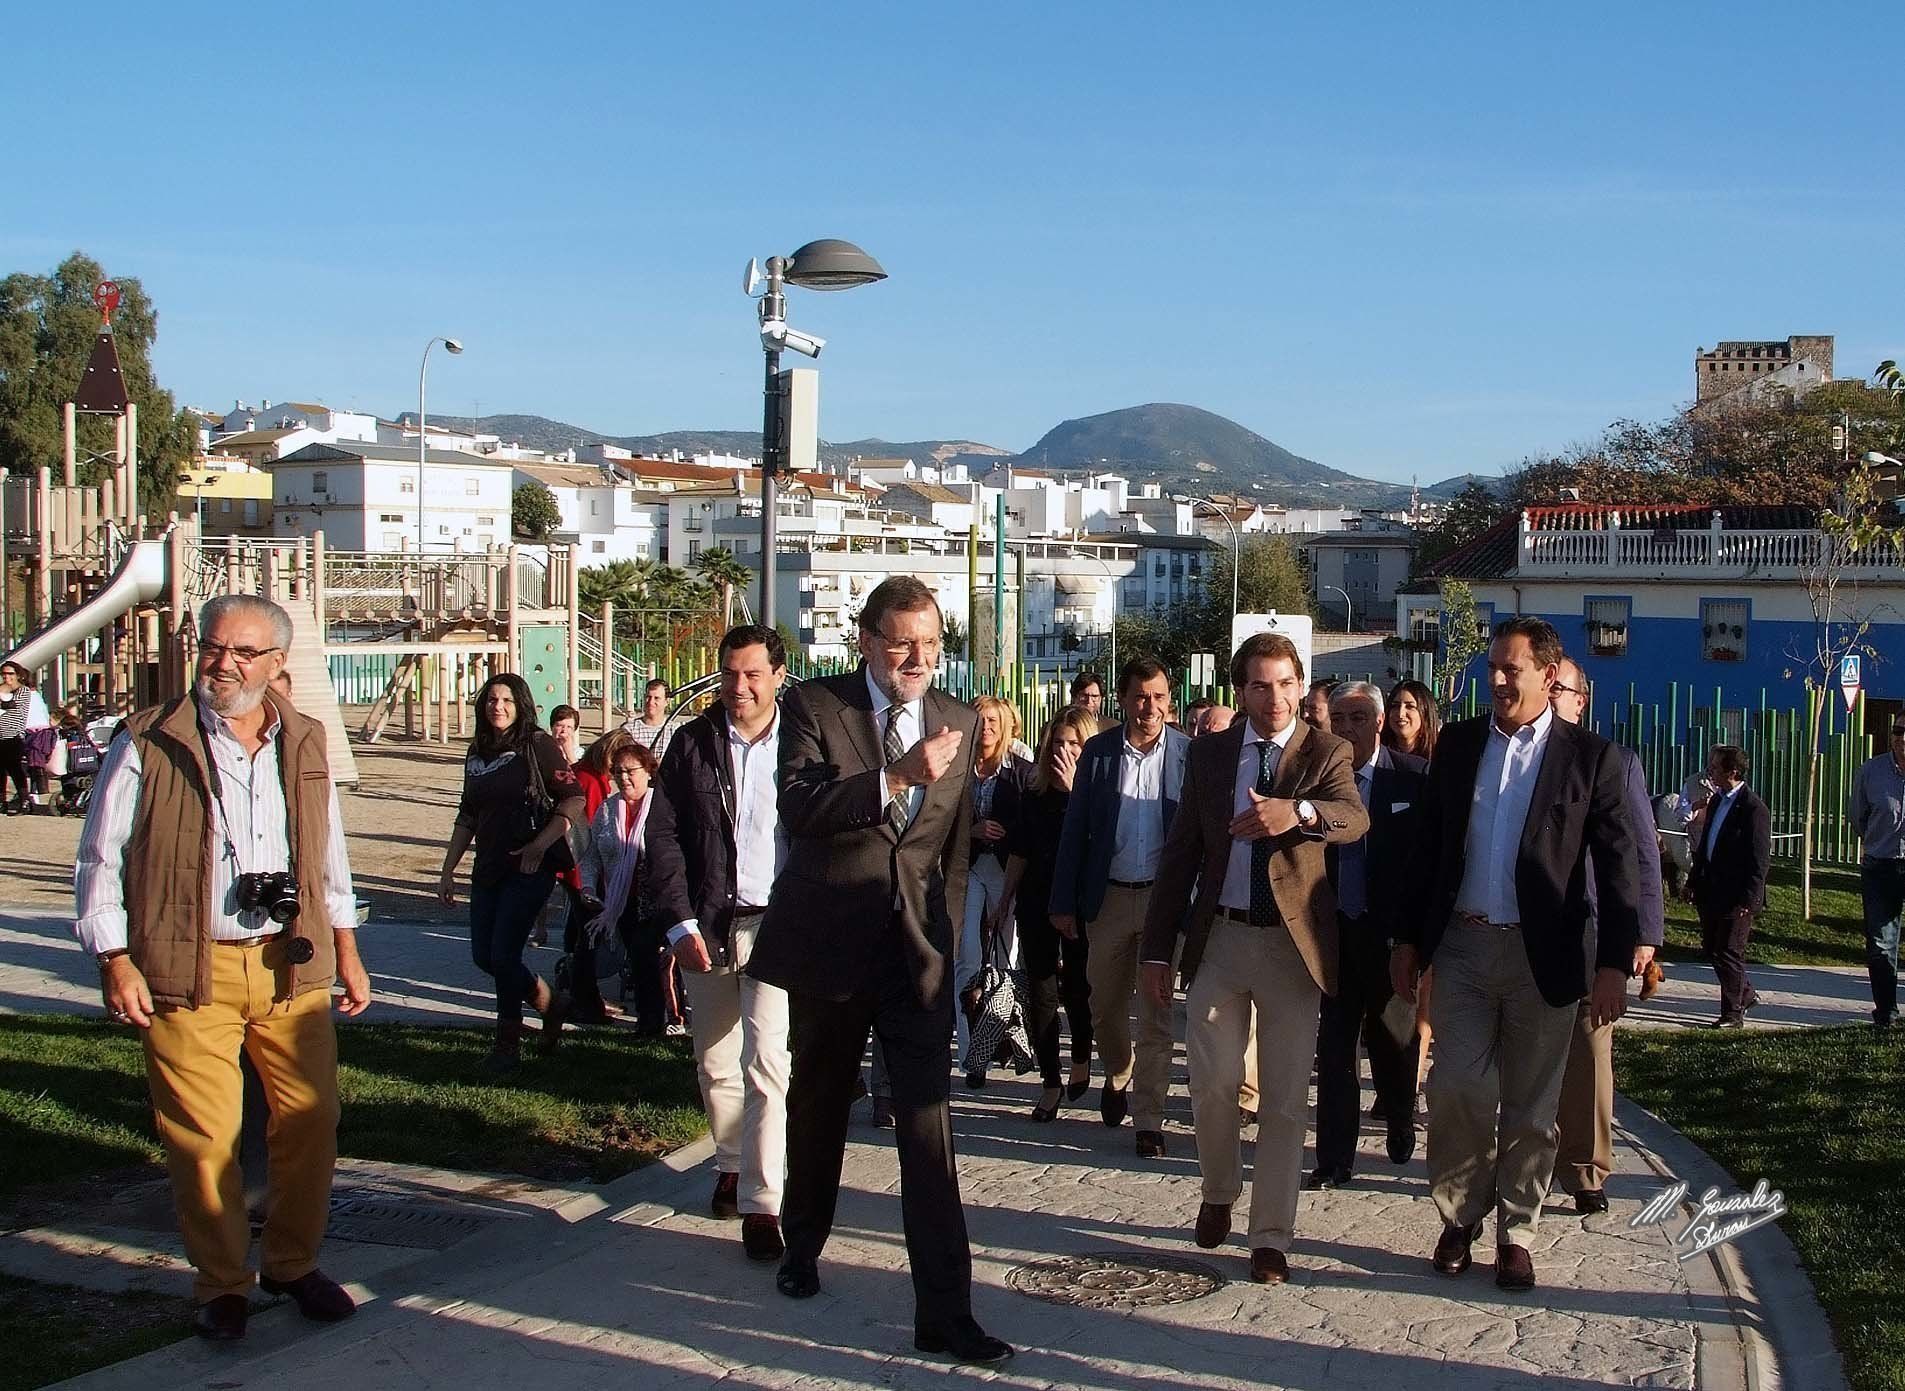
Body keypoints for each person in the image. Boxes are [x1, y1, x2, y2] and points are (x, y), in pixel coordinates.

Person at [73, 594, 371, 1342]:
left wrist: (348, 950)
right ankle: (222, 1283)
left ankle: (292, 1263)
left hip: (288, 962)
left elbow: (329, 855)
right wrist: (114, 958)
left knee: (312, 1122)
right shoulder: (147, 740)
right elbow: (98, 860)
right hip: (187, 963)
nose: (223, 665)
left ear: (276, 664)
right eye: (213, 648)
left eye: (243, 653)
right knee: (203, 1136)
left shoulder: (302, 740)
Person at [747, 576, 1010, 1366]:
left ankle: (945, 1313)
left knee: (929, 1132)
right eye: (901, 642)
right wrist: (894, 776)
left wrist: (950, 941)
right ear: (866, 640)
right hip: (829, 948)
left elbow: (952, 852)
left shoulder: (960, 721)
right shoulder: (815, 707)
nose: (918, 657)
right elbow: (798, 806)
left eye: (930, 642)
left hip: (915, 956)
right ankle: (802, 1246)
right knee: (820, 1105)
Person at [1390, 617, 1644, 1293]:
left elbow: (1618, 870)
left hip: (1545, 955)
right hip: (1466, 947)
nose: (1497, 680)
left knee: (1532, 1108)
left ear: (1548, 675)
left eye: (1511, 669)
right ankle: (1459, 1215)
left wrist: (1615, 961)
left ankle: (1516, 1230)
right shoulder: (1461, 745)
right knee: (1456, 1091)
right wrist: (1408, 939)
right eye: (1493, 668)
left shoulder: (1590, 758)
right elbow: (1429, 847)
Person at [1140, 632, 1366, 1284]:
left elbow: (1352, 818)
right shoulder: (1209, 755)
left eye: (1285, 683)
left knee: (1285, 1100)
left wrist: (1293, 812)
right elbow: (1180, 852)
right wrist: (1157, 951)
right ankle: (1218, 1189)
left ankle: (1270, 1236)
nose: (1274, 697)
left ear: (1301, 685)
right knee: (1210, 1086)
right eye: (1260, 685)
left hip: (1291, 948)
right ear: (1240, 691)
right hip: (1220, 938)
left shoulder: (1326, 750)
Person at [645, 623, 794, 1261]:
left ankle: (764, 1204)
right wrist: (678, 922)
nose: (740, 687)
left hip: (778, 925)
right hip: (708, 922)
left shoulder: (803, 742)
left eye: (753, 674)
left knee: (768, 1064)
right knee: (714, 1059)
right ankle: (729, 1162)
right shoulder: (693, 744)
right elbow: (664, 835)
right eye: (731, 674)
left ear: (778, 676)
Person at [1050, 656, 1190, 1157]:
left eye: (1157, 697)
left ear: (1169, 700)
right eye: (1139, 697)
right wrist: (1062, 900)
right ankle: (1118, 1069)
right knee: (1102, 1005)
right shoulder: (1100, 753)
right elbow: (1074, 829)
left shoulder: (1188, 756)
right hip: (1106, 896)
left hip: (1161, 901)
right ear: (1124, 699)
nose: (1149, 707)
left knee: (1157, 1013)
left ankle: (1149, 1119)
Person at [1546, 659, 1663, 1212]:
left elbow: (1642, 853)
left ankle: (1587, 1170)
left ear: (1581, 701)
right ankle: (1529, 1158)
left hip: (1593, 930)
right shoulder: (1516, 760)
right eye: (1544, 686)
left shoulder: (1615, 761)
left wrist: (1643, 934)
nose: (1548, 697)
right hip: (1528, 929)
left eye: (1559, 689)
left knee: (1589, 1050)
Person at [1311, 680, 1429, 1188]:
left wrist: (1415, 936)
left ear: (1379, 722)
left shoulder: (1414, 779)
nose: (1347, 728)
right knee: (1334, 1050)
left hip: (1389, 937)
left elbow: (1429, 861)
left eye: (1358, 718)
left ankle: (1400, 1115)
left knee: (1393, 1041)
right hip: (1332, 935)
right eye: (1338, 719)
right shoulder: (1313, 782)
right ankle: (1335, 1159)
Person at [437, 673, 585, 1073]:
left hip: (530, 867)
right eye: (490, 700)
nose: (497, 707)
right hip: (488, 868)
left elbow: (573, 798)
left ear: (520, 705)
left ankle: (507, 1044)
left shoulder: (537, 744)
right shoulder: (477, 751)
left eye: (505, 700)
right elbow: (467, 814)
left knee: (504, 954)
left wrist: (540, 844)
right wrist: (448, 870)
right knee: (484, 956)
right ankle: (551, 1003)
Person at [996, 707, 1098, 1120]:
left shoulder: (1094, 796)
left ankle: (1081, 1059)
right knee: (1041, 993)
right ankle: (1050, 1080)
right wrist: (1004, 898)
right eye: (1058, 742)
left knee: (1078, 987)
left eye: (1074, 743)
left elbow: (1097, 845)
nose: (1065, 750)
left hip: (1078, 902)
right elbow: (1019, 849)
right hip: (1037, 900)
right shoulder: (1033, 793)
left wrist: (1077, 792)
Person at [957, 696, 1036, 1083]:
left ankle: (998, 1039)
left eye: (993, 721)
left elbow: (1031, 828)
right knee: (968, 960)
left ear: (1006, 727)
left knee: (1006, 962)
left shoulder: (1022, 773)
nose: (985, 727)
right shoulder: (957, 769)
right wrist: (970, 831)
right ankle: (972, 1053)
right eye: (979, 720)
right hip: (968, 869)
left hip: (1007, 874)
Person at [1688, 744, 1771, 1029]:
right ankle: (1745, 994)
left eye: (1714, 767)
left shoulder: (1753, 809)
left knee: (1729, 951)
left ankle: (1732, 1012)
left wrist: (1751, 897)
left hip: (1737, 894)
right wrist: (1692, 879)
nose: (1710, 772)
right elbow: (1705, 844)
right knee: (1712, 947)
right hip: (1711, 888)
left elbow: (1759, 858)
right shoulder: (1715, 801)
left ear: (1732, 771)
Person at [566, 728, 636, 1023]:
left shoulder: (579, 772)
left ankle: (582, 996)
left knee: (581, 936)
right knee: (588, 939)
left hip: (572, 866)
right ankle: (586, 1000)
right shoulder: (591, 782)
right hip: (581, 870)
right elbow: (598, 832)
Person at [1851, 719, 1905, 1030]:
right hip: (1880, 865)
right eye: (1898, 730)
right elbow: (1858, 816)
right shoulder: (1871, 771)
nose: (1902, 737)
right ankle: (1886, 1014)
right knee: (1882, 943)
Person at [0, 660, 41, 813]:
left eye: (10, 673)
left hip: (13, 736)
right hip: (0, 735)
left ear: (18, 675)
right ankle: (1, 801)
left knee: (15, 769)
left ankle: (25, 800)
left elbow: (10, 705)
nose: (6, 677)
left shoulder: (22, 691)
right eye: (4, 673)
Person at [1383, 679, 1441, 762]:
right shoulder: (1376, 754)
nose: (1400, 714)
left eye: (1410, 706)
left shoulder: (1441, 754)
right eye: (1395, 706)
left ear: (1425, 712)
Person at [624, 678, 673, 759]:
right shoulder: (630, 730)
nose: (651, 702)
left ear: (666, 701)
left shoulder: (674, 730)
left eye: (656, 698)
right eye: (648, 697)